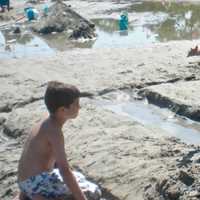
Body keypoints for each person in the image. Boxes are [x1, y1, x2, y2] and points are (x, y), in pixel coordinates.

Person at [17, 81, 88, 200]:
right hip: (35, 184)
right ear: (63, 110)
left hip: (24, 183)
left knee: (78, 177)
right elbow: (64, 170)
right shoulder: (55, 132)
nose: (79, 107)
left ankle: (29, 194)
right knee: (90, 190)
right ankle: (39, 197)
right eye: (76, 104)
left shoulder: (44, 123)